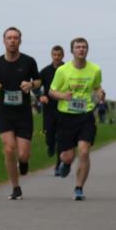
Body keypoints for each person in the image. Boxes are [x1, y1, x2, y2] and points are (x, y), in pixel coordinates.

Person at [0, 27, 41, 200]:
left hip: (24, 114)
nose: (12, 40)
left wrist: (31, 85)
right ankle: (15, 187)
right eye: (9, 38)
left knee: (23, 154)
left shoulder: (29, 62)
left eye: (15, 38)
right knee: (9, 148)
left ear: (20, 41)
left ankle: (24, 162)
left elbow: (39, 80)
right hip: (5, 113)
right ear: (4, 41)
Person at [49, 37, 104, 201]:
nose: (81, 50)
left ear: (87, 50)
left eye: (84, 47)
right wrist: (63, 96)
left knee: (84, 151)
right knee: (67, 156)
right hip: (66, 116)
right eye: (78, 47)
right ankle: (65, 164)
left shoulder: (95, 70)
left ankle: (79, 188)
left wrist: (100, 94)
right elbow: (52, 92)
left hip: (86, 115)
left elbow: (97, 87)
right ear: (72, 50)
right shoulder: (62, 71)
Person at [38, 45, 65, 175]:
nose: (57, 57)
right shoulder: (45, 71)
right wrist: (40, 96)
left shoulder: (68, 70)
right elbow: (36, 85)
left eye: (59, 55)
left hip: (63, 108)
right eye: (55, 55)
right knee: (50, 135)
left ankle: (58, 165)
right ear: (51, 55)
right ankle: (50, 145)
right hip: (49, 108)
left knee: (61, 137)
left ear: (63, 56)